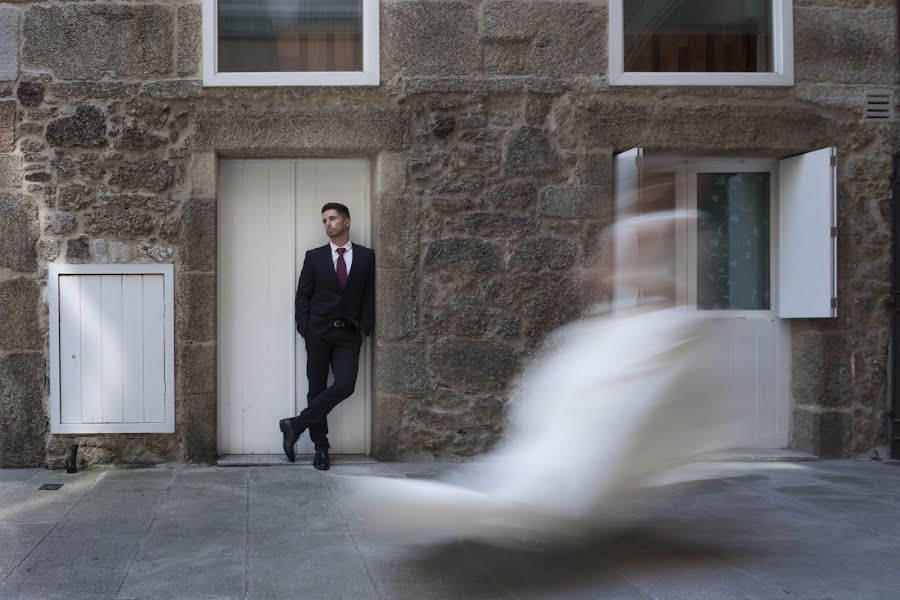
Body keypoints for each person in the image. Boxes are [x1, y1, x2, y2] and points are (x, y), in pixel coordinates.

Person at [279, 202, 375, 470]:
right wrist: (305, 327)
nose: (328, 224)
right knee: (316, 389)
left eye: (332, 219)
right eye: (324, 221)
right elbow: (303, 295)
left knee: (345, 384)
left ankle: (294, 425)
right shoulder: (315, 257)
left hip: (348, 333)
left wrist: (364, 329)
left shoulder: (367, 257)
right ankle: (321, 448)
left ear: (346, 221)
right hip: (318, 332)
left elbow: (369, 295)